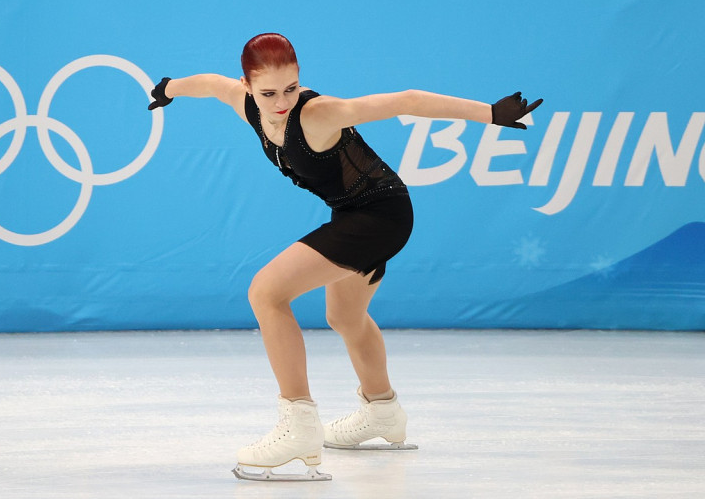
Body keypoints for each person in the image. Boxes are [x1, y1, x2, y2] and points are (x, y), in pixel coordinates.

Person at [148, 32, 542, 481]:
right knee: (346, 317)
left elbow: (406, 101)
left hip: (381, 216)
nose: (280, 102)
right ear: (249, 85)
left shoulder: (318, 113)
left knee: (266, 293)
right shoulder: (244, 102)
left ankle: (298, 425)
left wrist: (490, 114)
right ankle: (382, 411)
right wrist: (168, 88)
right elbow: (212, 84)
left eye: (290, 89)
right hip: (356, 213)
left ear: (301, 80)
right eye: (268, 93)